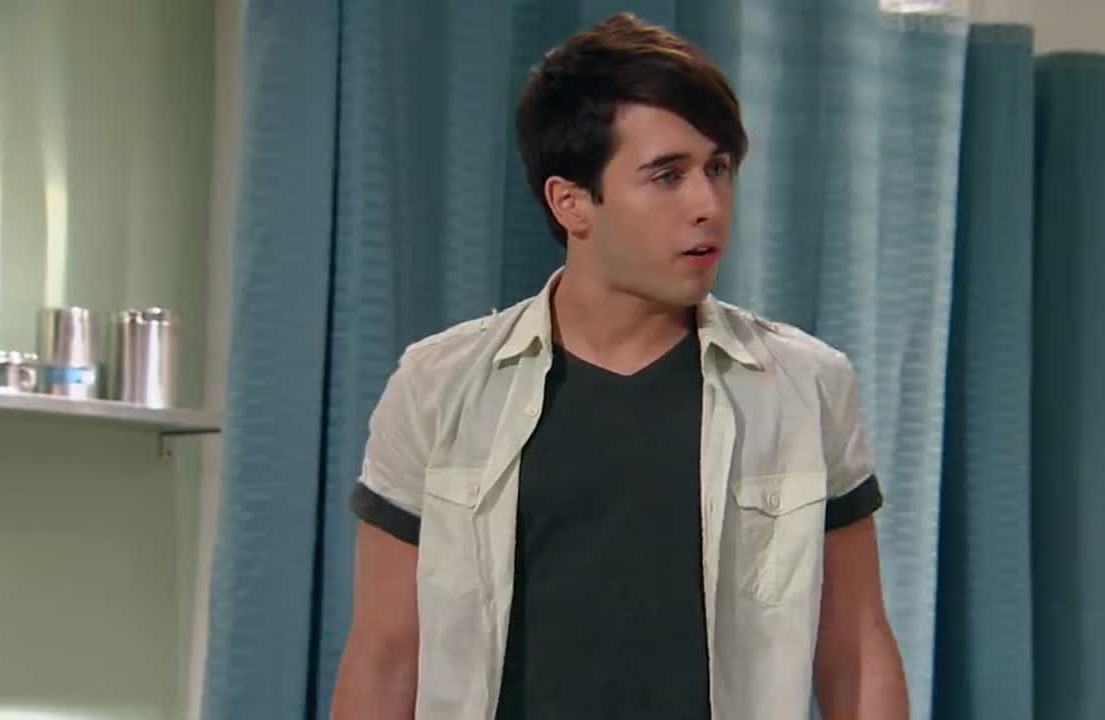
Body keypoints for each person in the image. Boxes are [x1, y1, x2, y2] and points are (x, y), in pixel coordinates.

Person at [331, 12, 907, 720]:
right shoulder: (438, 387)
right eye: (667, 175)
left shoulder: (804, 385)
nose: (708, 205)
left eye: (718, 168)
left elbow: (856, 649)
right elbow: (386, 655)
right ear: (572, 202)